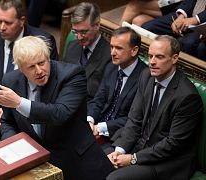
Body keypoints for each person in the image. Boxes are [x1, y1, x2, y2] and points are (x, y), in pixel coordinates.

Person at [0, 36, 114, 180]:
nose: (39, 70)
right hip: (39, 165)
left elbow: (59, 114)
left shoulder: (72, 75)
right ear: (21, 69)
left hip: (77, 161)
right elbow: (8, 121)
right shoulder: (10, 81)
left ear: (48, 58)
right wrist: (15, 148)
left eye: (41, 63)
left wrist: (19, 103)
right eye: (31, 67)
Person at [0, 0, 58, 150]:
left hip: (29, 107)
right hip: (0, 107)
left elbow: (48, 84)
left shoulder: (42, 41)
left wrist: (15, 107)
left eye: (7, 23)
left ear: (22, 21)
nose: (2, 27)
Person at [106, 35, 203, 180]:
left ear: (174, 58)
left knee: (114, 178)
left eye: (159, 57)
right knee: (95, 160)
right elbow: (135, 120)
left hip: (167, 161)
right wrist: (120, 150)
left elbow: (173, 144)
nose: (152, 62)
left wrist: (132, 158)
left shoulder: (187, 97)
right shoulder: (146, 76)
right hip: (139, 147)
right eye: (150, 56)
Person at [87, 27, 147, 152]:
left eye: (119, 48)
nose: (113, 53)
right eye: (111, 47)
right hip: (98, 127)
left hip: (119, 136)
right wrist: (90, 120)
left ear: (134, 51)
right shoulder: (111, 67)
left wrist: (101, 127)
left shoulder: (146, 78)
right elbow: (98, 100)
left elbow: (134, 119)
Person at [62, 2, 111, 100]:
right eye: (75, 32)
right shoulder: (72, 47)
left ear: (97, 25)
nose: (79, 37)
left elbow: (103, 97)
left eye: (84, 32)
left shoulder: (110, 55)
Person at [142, 0, 206, 60]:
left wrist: (196, 19)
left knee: (189, 44)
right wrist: (181, 16)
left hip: (202, 24)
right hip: (188, 14)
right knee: (148, 28)